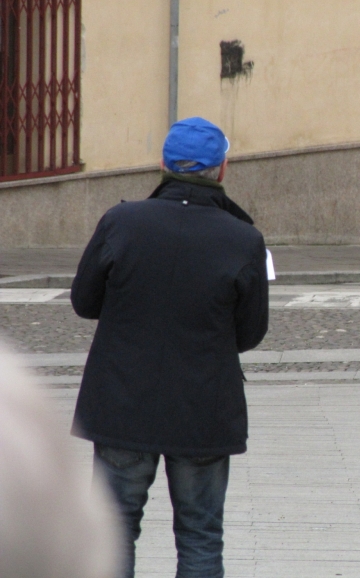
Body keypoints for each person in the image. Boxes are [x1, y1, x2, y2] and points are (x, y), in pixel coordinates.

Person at [71, 117, 269, 577]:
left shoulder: (121, 221)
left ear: (163, 163)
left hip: (123, 402)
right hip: (203, 407)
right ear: (221, 170)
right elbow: (251, 332)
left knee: (112, 532)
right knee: (200, 535)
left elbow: (84, 302)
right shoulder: (243, 238)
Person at [0, 343, 120, 578]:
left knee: (122, 519)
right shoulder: (12, 391)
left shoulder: (10, 389)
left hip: (124, 398)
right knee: (199, 528)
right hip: (199, 399)